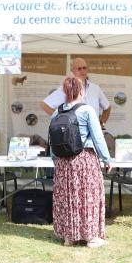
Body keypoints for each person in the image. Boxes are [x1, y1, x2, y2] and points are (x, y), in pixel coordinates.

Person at [50, 77, 112, 248]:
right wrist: (106, 159)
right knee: (87, 197)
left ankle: (69, 237)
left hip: (62, 163)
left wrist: (54, 159)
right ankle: (91, 238)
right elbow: (98, 138)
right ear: (81, 91)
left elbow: (51, 139)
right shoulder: (87, 110)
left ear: (65, 92)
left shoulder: (57, 112)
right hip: (83, 160)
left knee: (68, 198)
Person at [40, 57, 111, 129]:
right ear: (73, 71)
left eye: (84, 68)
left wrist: (102, 124)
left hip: (93, 135)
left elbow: (107, 107)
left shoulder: (95, 89)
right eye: (79, 69)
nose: (82, 71)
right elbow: (44, 105)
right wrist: (61, 121)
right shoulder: (66, 88)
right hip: (74, 135)